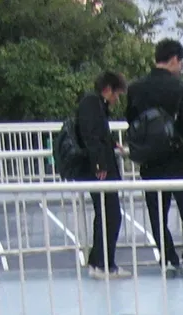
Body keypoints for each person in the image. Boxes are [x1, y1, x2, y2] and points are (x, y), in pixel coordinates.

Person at [126, 40, 183, 276]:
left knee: (157, 211)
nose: (181, 67)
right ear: (173, 59)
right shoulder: (181, 89)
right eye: (181, 62)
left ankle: (168, 256)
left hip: (151, 158)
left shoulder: (136, 88)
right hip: (179, 157)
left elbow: (132, 118)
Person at [76, 71, 126, 278]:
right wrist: (99, 165)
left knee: (106, 214)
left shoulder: (96, 105)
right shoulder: (92, 103)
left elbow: (98, 133)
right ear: (107, 89)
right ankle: (103, 264)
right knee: (110, 214)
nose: (117, 99)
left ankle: (100, 261)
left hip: (100, 167)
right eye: (116, 94)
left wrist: (113, 143)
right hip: (100, 170)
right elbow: (91, 136)